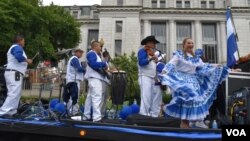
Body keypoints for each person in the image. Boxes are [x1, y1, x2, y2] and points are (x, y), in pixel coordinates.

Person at [159, 37, 229, 128]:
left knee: (194, 101)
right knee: (186, 100)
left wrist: (217, 66)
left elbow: (204, 66)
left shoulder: (195, 58)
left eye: (192, 43)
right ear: (183, 45)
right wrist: (163, 73)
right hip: (183, 82)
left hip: (194, 82)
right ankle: (185, 125)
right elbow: (170, 64)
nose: (191, 45)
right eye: (188, 43)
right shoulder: (179, 55)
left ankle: (191, 124)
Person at [0, 35, 33, 117]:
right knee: (14, 93)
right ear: (20, 40)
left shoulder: (14, 47)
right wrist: (27, 60)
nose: (24, 42)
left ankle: (12, 111)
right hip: (14, 74)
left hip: (13, 73)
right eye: (24, 40)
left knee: (15, 93)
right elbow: (18, 57)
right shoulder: (17, 47)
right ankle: (3, 111)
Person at [84, 41, 109, 122]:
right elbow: (93, 64)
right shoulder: (91, 53)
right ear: (95, 46)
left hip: (94, 78)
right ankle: (97, 118)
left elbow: (95, 65)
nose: (100, 48)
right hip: (95, 79)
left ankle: (86, 116)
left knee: (90, 98)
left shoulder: (95, 55)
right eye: (99, 47)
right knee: (97, 97)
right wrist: (104, 63)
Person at [137, 35, 161, 117]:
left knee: (150, 97)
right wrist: (151, 58)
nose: (155, 45)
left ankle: (148, 114)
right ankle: (143, 114)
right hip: (144, 76)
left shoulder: (151, 53)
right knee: (145, 97)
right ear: (149, 43)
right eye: (153, 43)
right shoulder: (142, 51)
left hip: (151, 78)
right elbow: (141, 62)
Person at [64, 48, 85, 115]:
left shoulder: (74, 59)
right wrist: (85, 69)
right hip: (73, 81)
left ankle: (69, 111)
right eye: (80, 52)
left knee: (70, 96)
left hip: (71, 80)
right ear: (76, 52)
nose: (81, 54)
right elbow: (78, 68)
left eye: (82, 53)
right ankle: (74, 112)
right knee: (74, 96)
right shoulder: (74, 58)